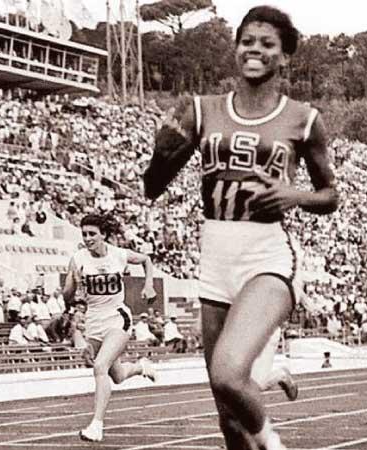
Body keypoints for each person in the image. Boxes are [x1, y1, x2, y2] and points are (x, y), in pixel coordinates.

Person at [143, 7, 339, 449]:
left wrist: (295, 196)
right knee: (229, 418)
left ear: (284, 57)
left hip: (266, 253)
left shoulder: (304, 118)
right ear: (235, 48)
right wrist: (163, 150)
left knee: (229, 374)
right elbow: (152, 186)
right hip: (215, 255)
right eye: (247, 40)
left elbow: (330, 195)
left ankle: (272, 441)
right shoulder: (200, 109)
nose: (254, 49)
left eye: (267, 43)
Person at [62, 214, 158, 442]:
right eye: (84, 234)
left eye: (92, 234)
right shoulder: (77, 259)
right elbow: (67, 296)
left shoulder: (119, 254)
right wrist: (73, 283)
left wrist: (149, 285)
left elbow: (146, 260)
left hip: (117, 317)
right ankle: (140, 367)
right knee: (116, 375)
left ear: (103, 235)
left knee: (100, 366)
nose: (87, 239)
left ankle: (96, 425)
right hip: (94, 321)